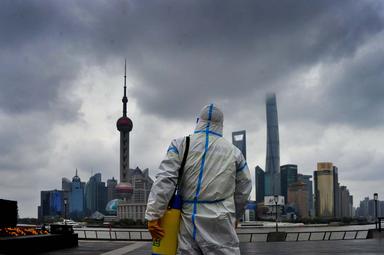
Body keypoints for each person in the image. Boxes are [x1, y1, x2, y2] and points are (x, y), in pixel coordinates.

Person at [145, 104, 252, 255]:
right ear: (221, 125)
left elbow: (165, 179)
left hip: (188, 221)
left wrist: (153, 215)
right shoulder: (235, 153)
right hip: (221, 222)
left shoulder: (180, 144)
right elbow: (244, 188)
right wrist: (236, 215)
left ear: (198, 121)